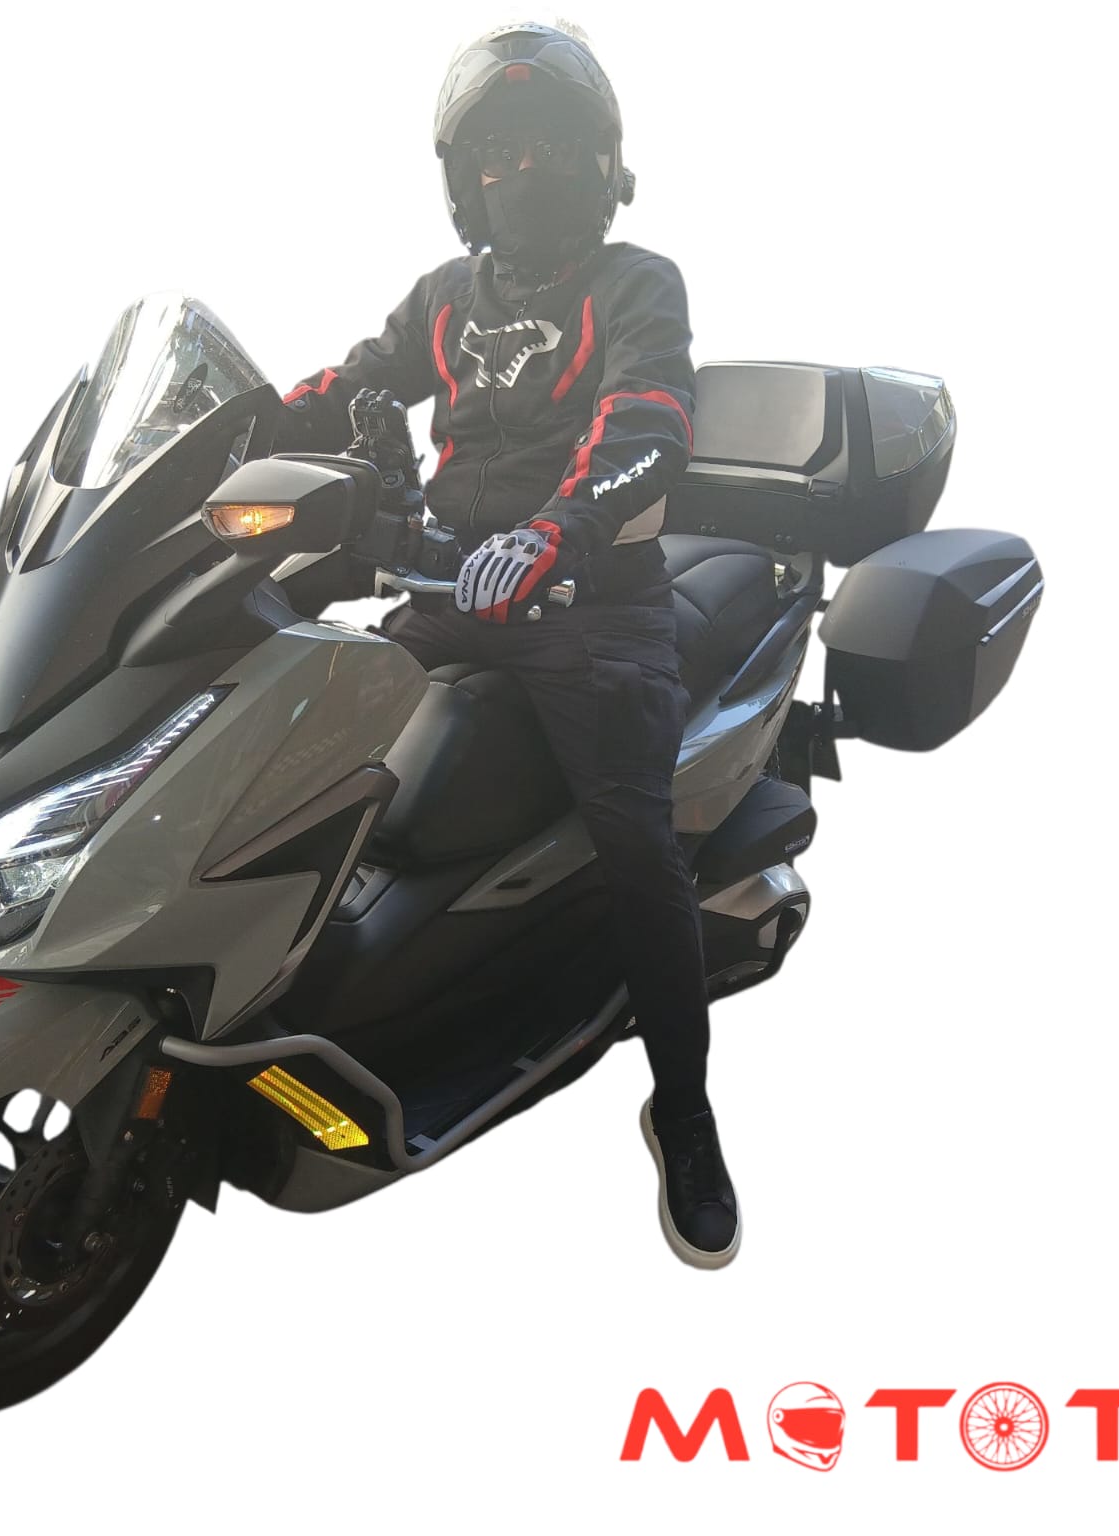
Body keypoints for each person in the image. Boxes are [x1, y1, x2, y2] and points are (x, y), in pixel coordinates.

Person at [270, 20, 739, 1268]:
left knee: (637, 847)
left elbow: (648, 420)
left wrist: (554, 530)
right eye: (495, 154)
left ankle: (684, 1110)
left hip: (592, 602)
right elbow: (348, 383)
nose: (518, 172)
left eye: (545, 148)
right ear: (461, 179)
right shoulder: (443, 298)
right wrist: (221, 435)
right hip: (446, 587)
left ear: (598, 163)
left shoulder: (635, 284)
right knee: (289, 746)